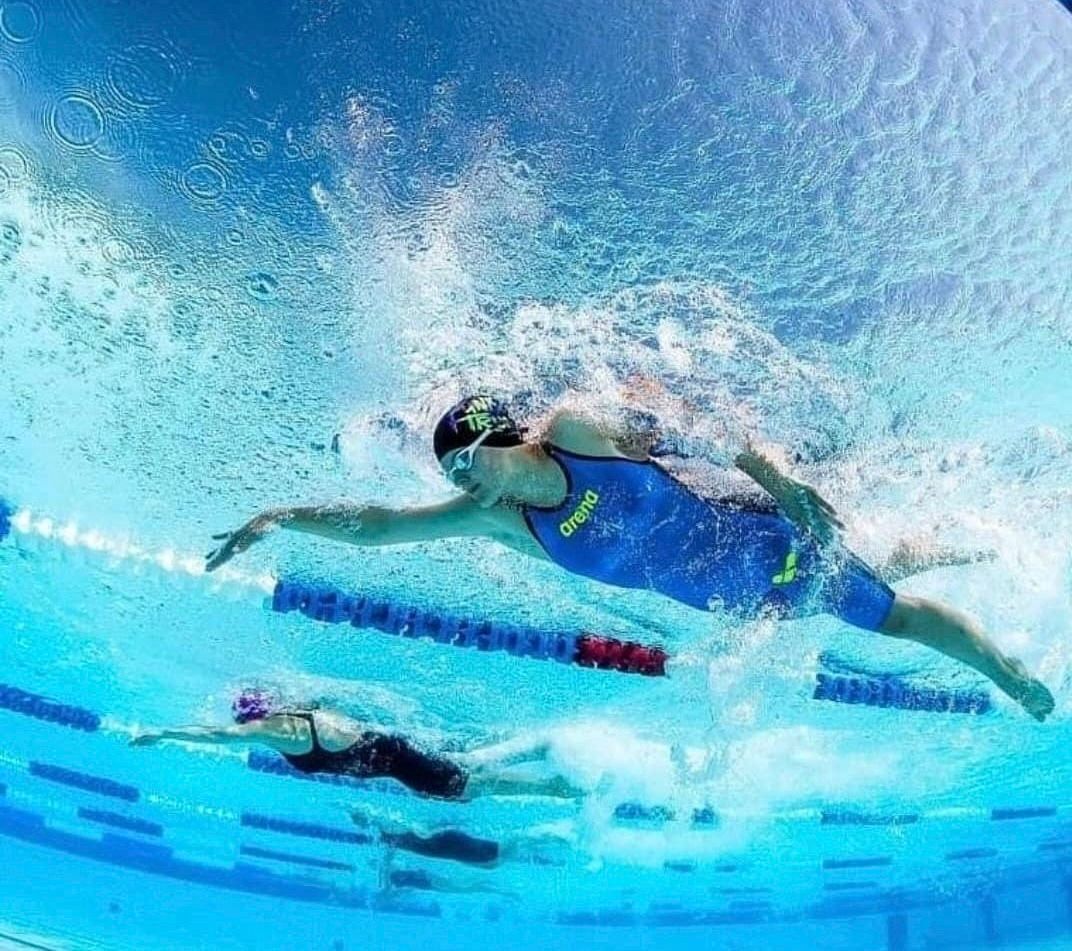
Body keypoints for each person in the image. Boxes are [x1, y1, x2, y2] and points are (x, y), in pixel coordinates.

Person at [204, 395, 1054, 720]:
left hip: (766, 539)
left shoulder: (579, 432)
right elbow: (381, 528)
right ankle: (939, 542)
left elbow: (704, 427)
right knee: (875, 571)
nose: (464, 483)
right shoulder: (500, 522)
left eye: (467, 464)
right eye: (454, 475)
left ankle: (1008, 674)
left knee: (888, 613)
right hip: (735, 600)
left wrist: (786, 484)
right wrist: (280, 519)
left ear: (500, 438)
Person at [131, 688, 581, 800]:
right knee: (464, 775)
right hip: (395, 754)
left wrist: (164, 733)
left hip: (397, 759)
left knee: (466, 784)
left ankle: (552, 773)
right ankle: (544, 757)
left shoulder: (280, 728)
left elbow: (218, 735)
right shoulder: (301, 715)